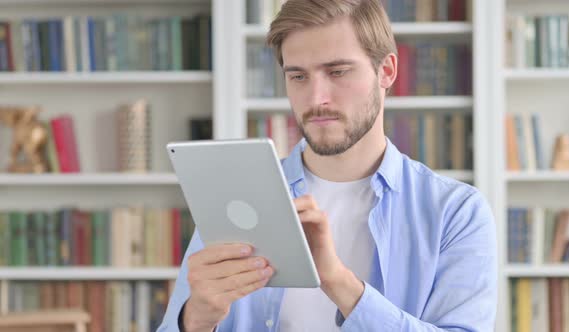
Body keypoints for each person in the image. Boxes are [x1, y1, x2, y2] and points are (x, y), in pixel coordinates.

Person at [158, 0, 497, 331]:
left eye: (337, 71)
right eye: (298, 77)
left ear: (387, 71)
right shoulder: (234, 195)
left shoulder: (456, 212)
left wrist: (336, 279)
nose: (316, 98)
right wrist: (196, 319)